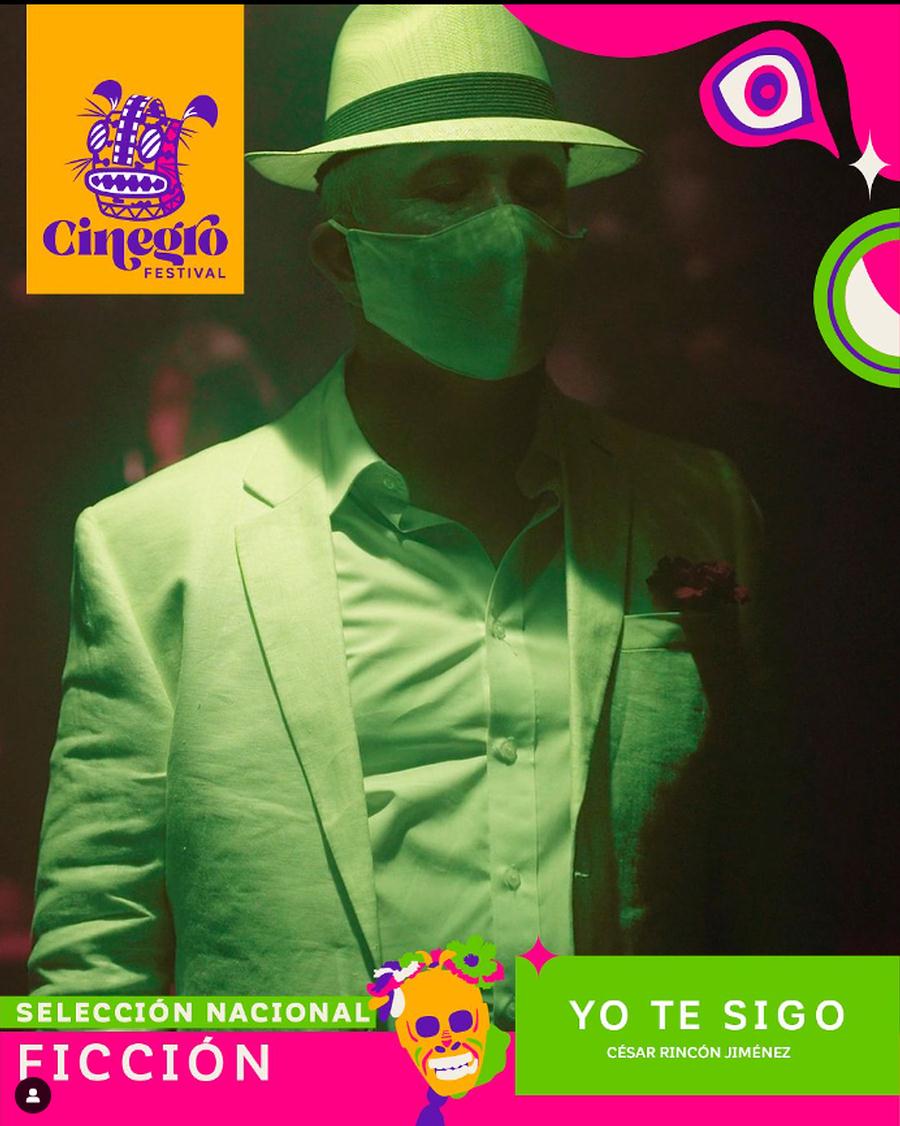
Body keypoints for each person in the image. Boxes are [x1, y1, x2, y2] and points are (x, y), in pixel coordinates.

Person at [28, 5, 775, 1024]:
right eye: (449, 186)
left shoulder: (699, 505)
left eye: (536, 186)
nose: (509, 226)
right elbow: (95, 959)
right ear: (339, 257)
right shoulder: (157, 546)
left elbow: (767, 894)